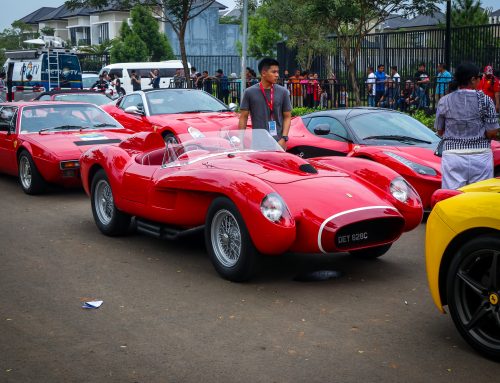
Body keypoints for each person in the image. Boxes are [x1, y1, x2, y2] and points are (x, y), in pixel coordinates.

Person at [434, 62, 499, 189]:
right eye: (480, 76)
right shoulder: (485, 100)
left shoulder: (444, 101)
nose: (481, 79)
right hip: (480, 156)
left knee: (453, 199)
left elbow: (440, 131)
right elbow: (492, 132)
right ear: (473, 79)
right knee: (479, 199)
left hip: (453, 157)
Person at [238, 57, 292, 150]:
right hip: (258, 144)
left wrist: (284, 138)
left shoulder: (283, 92)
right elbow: (243, 117)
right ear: (263, 73)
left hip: (278, 143)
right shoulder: (249, 92)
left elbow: (287, 116)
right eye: (273, 72)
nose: (277, 75)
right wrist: (240, 141)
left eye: (277, 72)